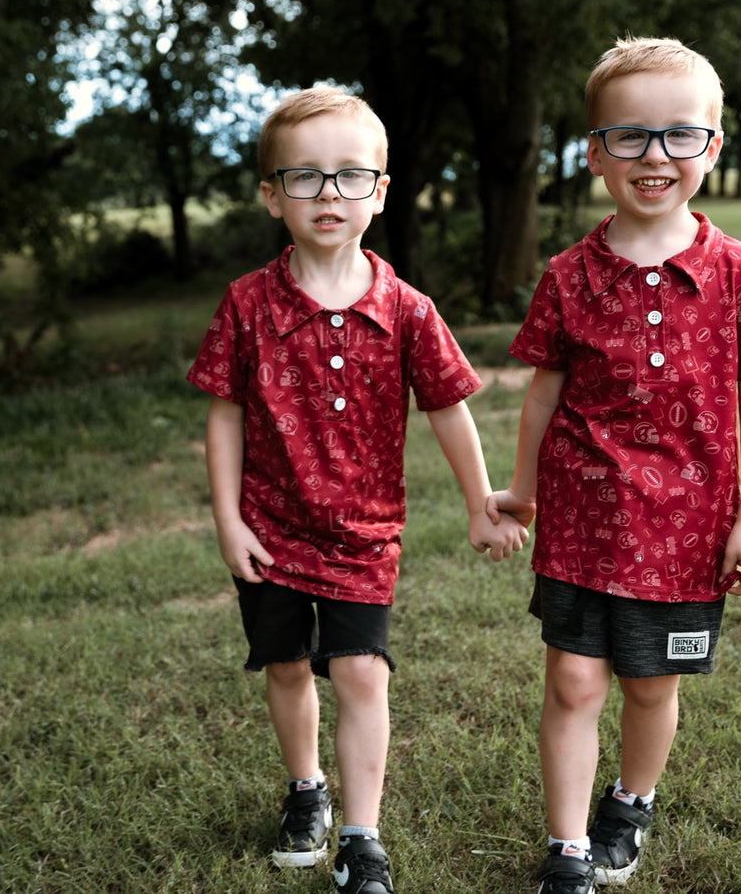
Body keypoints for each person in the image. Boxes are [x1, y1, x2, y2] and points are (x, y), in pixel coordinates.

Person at [488, 37, 741, 893]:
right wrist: (520, 493)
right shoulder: (567, 276)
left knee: (648, 686)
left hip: (688, 533)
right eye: (629, 136)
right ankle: (566, 850)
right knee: (572, 682)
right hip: (582, 524)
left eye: (679, 136)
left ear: (712, 146)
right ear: (595, 153)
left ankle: (630, 800)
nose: (654, 155)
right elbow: (540, 396)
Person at [189, 85, 526, 894]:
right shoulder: (247, 304)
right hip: (269, 525)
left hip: (364, 535)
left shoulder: (407, 309)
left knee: (362, 672)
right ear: (272, 196)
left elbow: (449, 409)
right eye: (304, 178)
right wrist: (228, 519)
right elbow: (224, 418)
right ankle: (306, 787)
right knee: (286, 668)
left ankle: (360, 835)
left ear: (379, 191)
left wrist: (481, 502)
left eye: (349, 177)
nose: (328, 194)